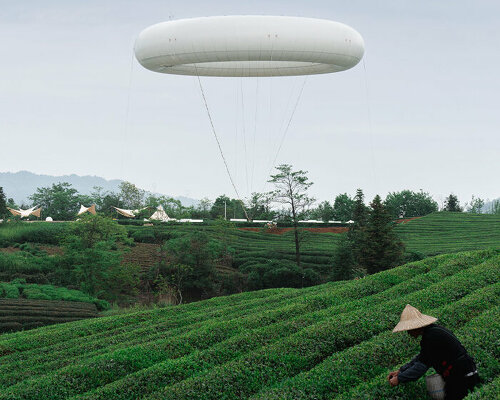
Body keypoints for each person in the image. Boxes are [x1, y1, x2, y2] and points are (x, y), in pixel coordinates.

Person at [388, 304, 480, 400]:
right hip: (462, 371)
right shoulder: (432, 332)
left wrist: (399, 379)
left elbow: (421, 366)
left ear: (415, 327)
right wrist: (401, 371)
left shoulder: (431, 337)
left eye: (408, 329)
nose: (408, 333)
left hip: (462, 374)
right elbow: (422, 357)